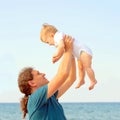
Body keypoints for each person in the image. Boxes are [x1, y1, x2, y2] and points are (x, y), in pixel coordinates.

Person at [18, 35, 76, 120]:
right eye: (38, 74)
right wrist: (68, 50)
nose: (43, 74)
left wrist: (71, 56)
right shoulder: (34, 99)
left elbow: (71, 78)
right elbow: (62, 75)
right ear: (32, 83)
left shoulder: (51, 97)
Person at [40, 23, 97, 90]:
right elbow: (62, 51)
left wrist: (55, 55)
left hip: (83, 51)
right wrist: (57, 58)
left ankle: (93, 81)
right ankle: (82, 80)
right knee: (81, 68)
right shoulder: (58, 41)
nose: (49, 44)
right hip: (78, 54)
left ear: (52, 35)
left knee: (87, 67)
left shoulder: (58, 36)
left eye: (47, 42)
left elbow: (61, 47)